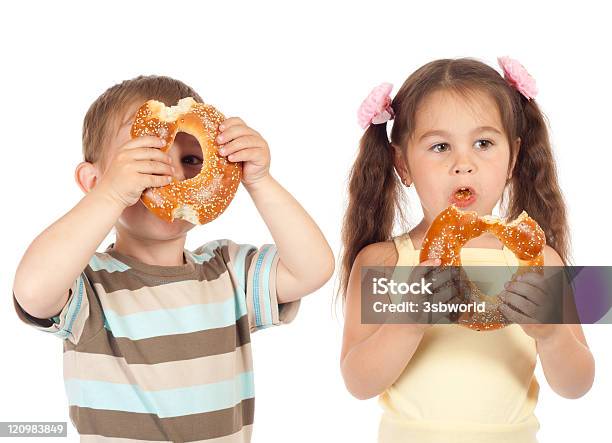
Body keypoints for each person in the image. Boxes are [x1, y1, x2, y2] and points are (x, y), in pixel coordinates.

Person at [12, 75, 335, 442]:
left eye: (192, 159)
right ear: (93, 180)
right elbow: (33, 291)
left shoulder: (228, 271)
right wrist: (110, 195)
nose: (175, 174)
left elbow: (314, 268)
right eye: (148, 160)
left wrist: (260, 180)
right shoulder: (88, 286)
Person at [339, 57, 594, 443]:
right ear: (402, 164)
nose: (464, 164)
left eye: (484, 143)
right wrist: (408, 324)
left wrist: (552, 335)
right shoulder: (385, 262)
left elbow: (577, 385)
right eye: (440, 146)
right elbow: (358, 382)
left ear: (513, 158)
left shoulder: (539, 260)